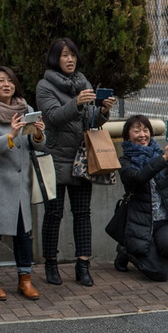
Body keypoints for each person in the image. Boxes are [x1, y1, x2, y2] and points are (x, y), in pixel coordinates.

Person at [35, 38, 117, 287]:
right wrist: (77, 102)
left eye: (73, 55)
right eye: (64, 55)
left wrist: (102, 111)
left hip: (82, 158)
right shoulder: (44, 86)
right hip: (56, 157)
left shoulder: (83, 82)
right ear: (55, 59)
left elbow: (91, 121)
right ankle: (51, 264)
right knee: (53, 214)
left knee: (83, 214)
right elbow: (53, 117)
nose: (70, 59)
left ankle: (83, 265)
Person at [0, 66, 47, 301]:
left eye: (10, 81)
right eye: (1, 81)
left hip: (20, 182)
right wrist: (10, 136)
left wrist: (38, 134)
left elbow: (38, 146)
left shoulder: (26, 109)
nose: (7, 85)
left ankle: (25, 279)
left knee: (23, 234)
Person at [116, 115, 168, 281]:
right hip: (141, 222)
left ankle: (160, 259)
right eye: (137, 131)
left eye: (146, 131)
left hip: (162, 220)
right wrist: (163, 159)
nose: (142, 135)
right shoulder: (125, 161)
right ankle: (127, 251)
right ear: (128, 135)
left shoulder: (157, 154)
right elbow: (138, 177)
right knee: (158, 274)